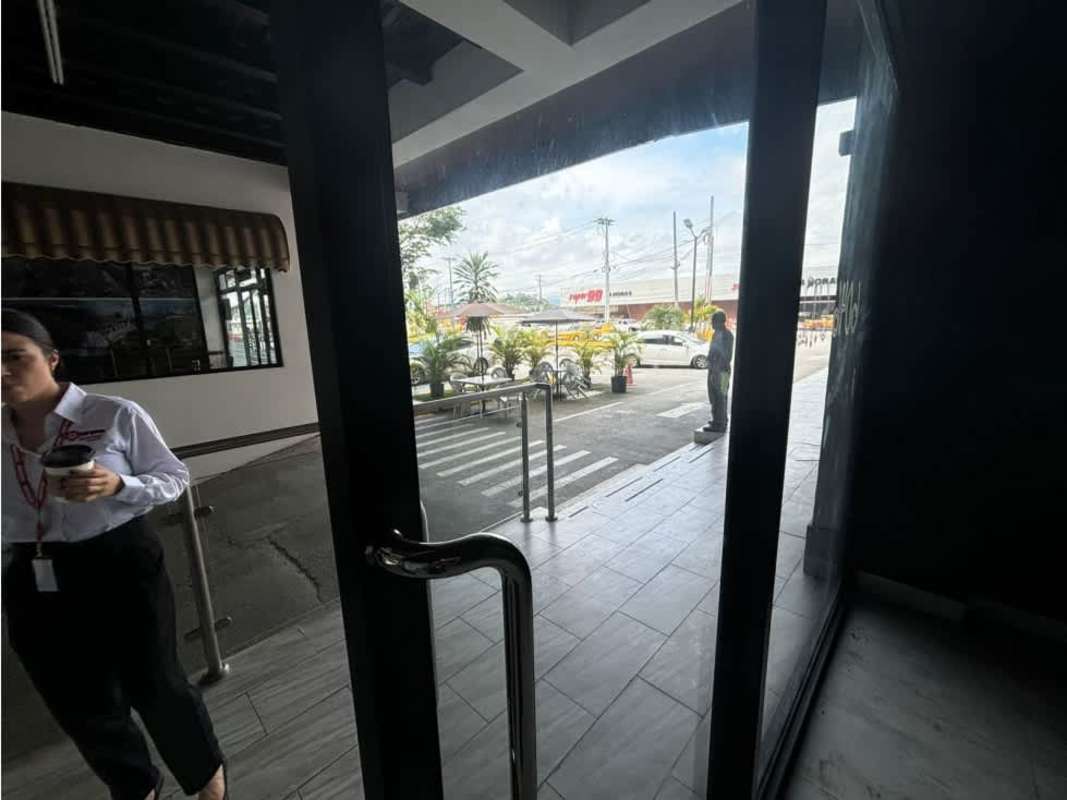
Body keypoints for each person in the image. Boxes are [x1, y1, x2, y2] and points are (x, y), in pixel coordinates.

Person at [1, 309, 226, 800]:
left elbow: (174, 477)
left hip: (118, 561)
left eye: (13, 357)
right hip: (31, 572)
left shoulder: (112, 414)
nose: (2, 371)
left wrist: (119, 483)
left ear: (52, 359)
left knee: (157, 684)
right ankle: (135, 786)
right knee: (76, 698)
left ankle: (206, 785)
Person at [703, 310, 734, 432]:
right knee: (713, 396)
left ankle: (720, 423)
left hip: (722, 371)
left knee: (721, 396)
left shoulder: (727, 335)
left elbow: (727, 355)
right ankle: (717, 419)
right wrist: (709, 359)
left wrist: (717, 367)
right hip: (713, 369)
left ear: (721, 322)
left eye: (713, 322)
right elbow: (712, 350)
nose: (712, 324)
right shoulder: (715, 334)